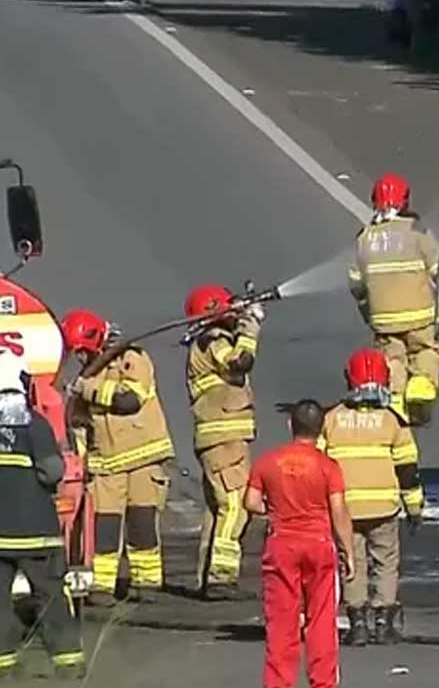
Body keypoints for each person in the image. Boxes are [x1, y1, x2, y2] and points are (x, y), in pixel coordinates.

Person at [61, 309, 175, 604]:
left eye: (84, 351)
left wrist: (88, 389)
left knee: (142, 522)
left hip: (142, 458)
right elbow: (79, 423)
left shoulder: (132, 359)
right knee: (106, 527)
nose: (81, 357)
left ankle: (147, 584)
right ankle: (102, 587)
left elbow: (129, 399)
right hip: (106, 464)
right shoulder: (90, 373)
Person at [246, 399, 356, 688]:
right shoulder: (328, 467)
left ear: (289, 425)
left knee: (281, 623)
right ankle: (322, 683)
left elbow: (251, 502)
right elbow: (339, 512)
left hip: (281, 544)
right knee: (321, 622)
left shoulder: (267, 462)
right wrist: (349, 553)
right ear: (321, 430)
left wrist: (273, 510)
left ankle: (279, 684)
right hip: (318, 545)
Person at [319, 349, 423, 646]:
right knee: (386, 562)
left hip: (345, 508)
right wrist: (414, 509)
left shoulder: (332, 418)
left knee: (351, 562)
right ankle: (384, 623)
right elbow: (407, 470)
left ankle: (358, 624)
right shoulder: (393, 420)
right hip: (384, 508)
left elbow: (317, 464)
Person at [0, 352, 84, 678]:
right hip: (35, 530)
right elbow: (51, 472)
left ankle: (5, 666)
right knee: (50, 595)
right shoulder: (34, 423)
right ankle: (68, 662)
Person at [183, 283, 265, 600]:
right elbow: (239, 362)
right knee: (234, 506)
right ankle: (221, 578)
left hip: (223, 439)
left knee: (218, 509)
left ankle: (207, 577)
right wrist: (250, 326)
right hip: (223, 440)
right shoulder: (212, 341)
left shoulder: (206, 342)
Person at [348, 172, 439, 427]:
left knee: (392, 359)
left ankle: (398, 401)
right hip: (420, 315)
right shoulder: (418, 231)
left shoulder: (365, 237)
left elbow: (356, 285)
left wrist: (369, 313)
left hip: (383, 319)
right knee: (425, 351)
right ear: (405, 201)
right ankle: (421, 385)